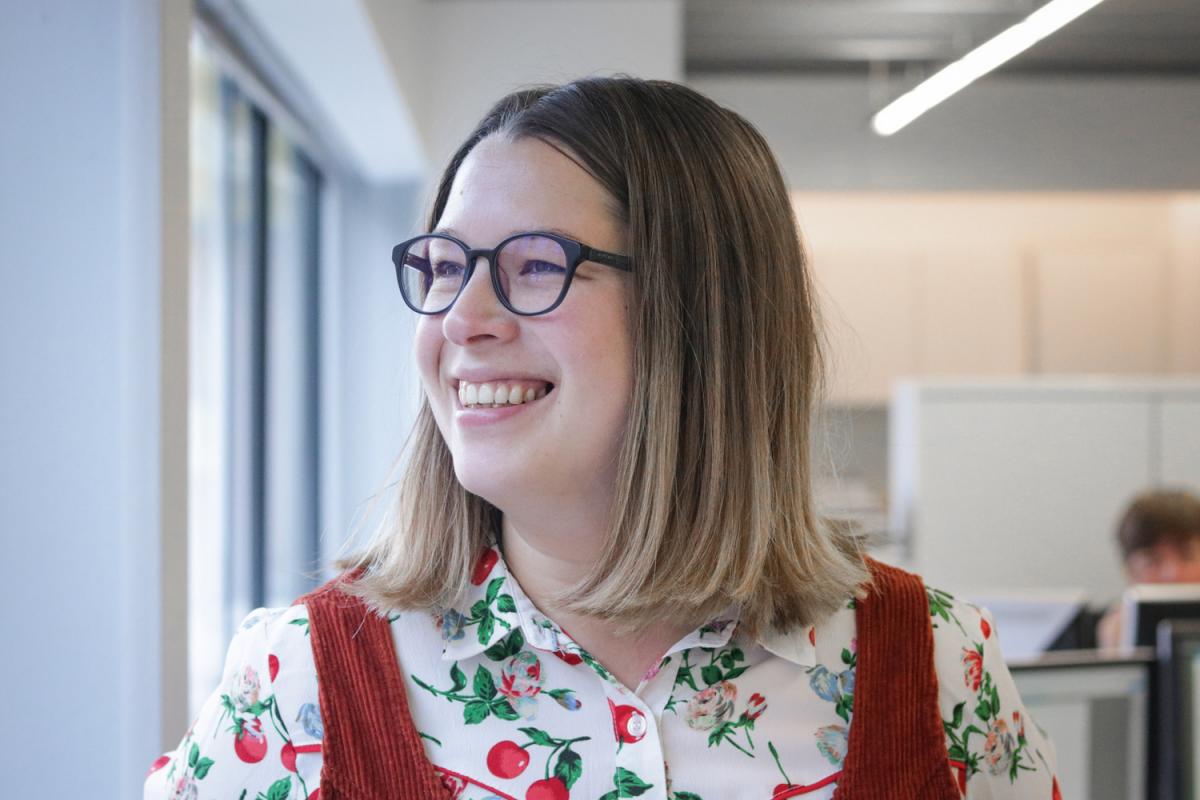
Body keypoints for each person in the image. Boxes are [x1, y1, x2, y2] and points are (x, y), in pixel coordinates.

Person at [146, 77, 1058, 800]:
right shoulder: (296, 682)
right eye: (445, 265)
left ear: (701, 313)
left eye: (534, 265)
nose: (463, 318)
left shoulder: (938, 665)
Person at [1097, 487, 1200, 649]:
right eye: (1153, 561)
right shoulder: (1119, 627)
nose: (1172, 574)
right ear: (1129, 571)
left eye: (1187, 555)